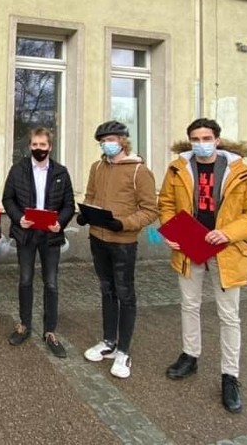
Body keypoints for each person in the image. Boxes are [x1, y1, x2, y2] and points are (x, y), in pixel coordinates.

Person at [159, 118, 247, 414]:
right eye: (195, 138)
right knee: (188, 304)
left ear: (217, 140)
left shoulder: (242, 172)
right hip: (189, 246)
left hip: (226, 250)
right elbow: (166, 203)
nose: (200, 143)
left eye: (206, 137)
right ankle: (189, 356)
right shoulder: (177, 169)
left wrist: (228, 232)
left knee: (229, 315)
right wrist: (171, 230)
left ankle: (230, 375)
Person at [78, 121, 158, 379]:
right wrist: (85, 214)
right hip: (98, 238)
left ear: (123, 140)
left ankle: (124, 350)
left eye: (111, 139)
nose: (106, 144)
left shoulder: (139, 171)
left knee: (125, 294)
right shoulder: (97, 167)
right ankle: (108, 341)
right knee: (107, 290)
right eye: (102, 141)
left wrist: (123, 223)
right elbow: (91, 197)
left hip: (123, 242)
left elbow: (150, 210)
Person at [2, 127, 75, 358]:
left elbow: (69, 204)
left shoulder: (61, 172)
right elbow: (8, 198)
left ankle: (50, 331)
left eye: (43, 145)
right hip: (26, 234)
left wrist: (60, 223)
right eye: (35, 145)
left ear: (50, 147)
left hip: (51, 235)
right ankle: (24, 325)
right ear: (29, 146)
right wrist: (18, 218)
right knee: (25, 280)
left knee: (51, 283)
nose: (38, 149)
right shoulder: (18, 170)